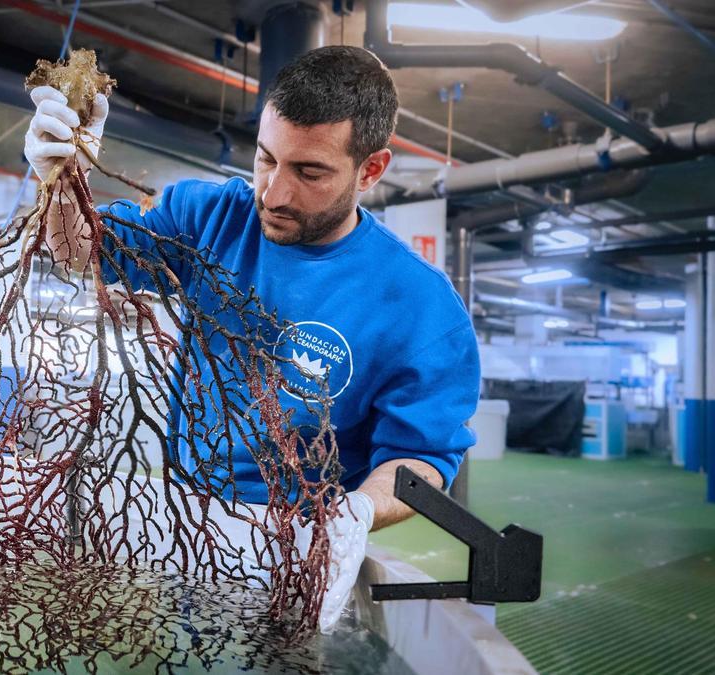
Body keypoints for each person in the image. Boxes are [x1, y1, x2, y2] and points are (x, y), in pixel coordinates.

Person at [23, 45, 480, 632]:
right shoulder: (210, 216)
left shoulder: (421, 306)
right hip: (185, 526)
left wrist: (354, 514)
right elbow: (81, 250)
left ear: (370, 170)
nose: (273, 192)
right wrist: (63, 178)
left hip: (296, 551)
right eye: (267, 159)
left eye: (309, 172)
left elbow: (420, 457)